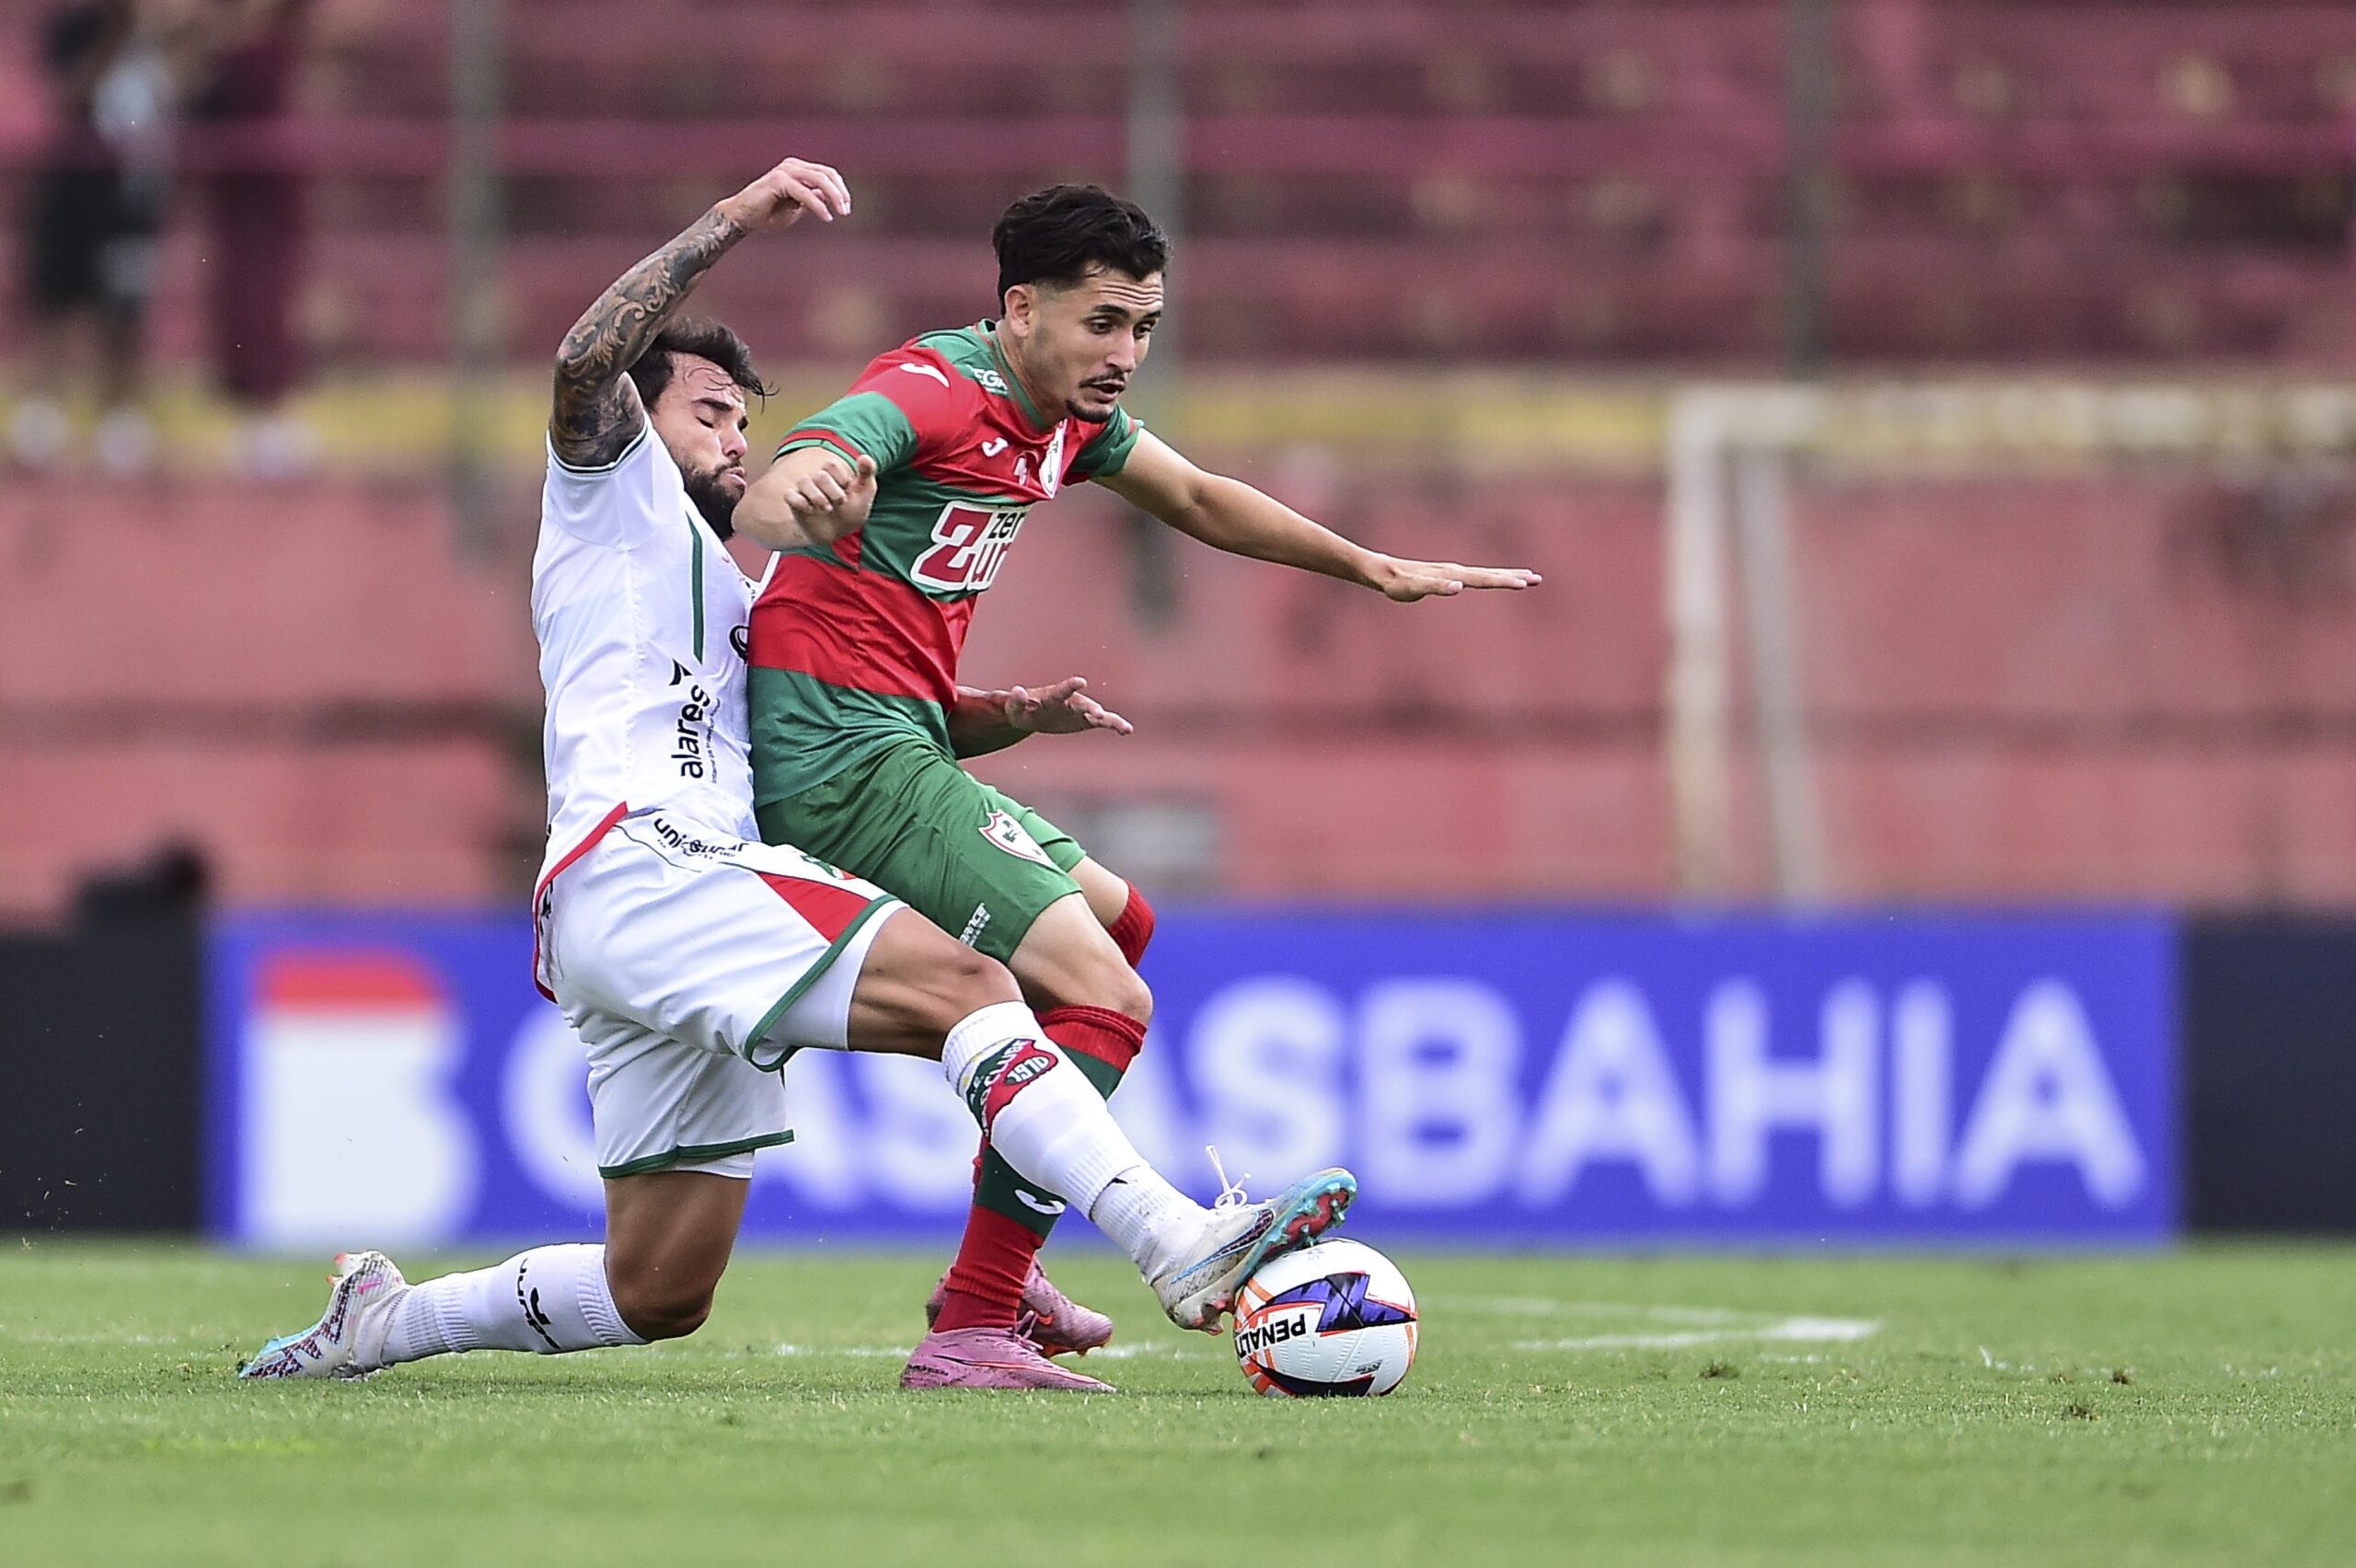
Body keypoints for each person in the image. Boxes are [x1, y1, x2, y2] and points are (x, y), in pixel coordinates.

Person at [237, 158, 1354, 1392]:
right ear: (639, 418)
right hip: (646, 859)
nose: (732, 437)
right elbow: (577, 366)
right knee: (970, 985)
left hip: (663, 898)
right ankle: (1170, 1237)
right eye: (705, 412)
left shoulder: (745, 589)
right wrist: (727, 220)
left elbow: (828, 718)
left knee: (656, 1290)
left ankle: (385, 1319)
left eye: (745, 421)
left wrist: (996, 715)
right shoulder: (610, 497)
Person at [739, 183, 1539, 1390]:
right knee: (1103, 994)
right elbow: (808, 456)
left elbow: (1205, 498)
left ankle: (1011, 1224)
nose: (1127, 354)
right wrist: (787, 493)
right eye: (1104, 322)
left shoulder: (1065, 421)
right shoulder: (938, 387)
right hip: (842, 760)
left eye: (1146, 327)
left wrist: (1370, 567)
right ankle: (977, 1313)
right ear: (1020, 308)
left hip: (904, 745)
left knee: (1124, 923)